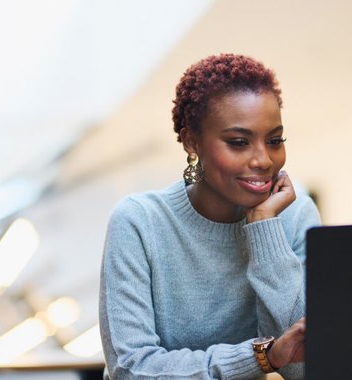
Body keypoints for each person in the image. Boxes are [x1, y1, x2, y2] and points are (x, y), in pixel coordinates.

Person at [99, 53, 321, 379]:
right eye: (238, 142)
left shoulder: (294, 214)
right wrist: (261, 358)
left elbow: (306, 367)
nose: (263, 160)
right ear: (192, 142)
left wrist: (264, 228)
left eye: (274, 140)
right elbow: (131, 369)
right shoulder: (138, 222)